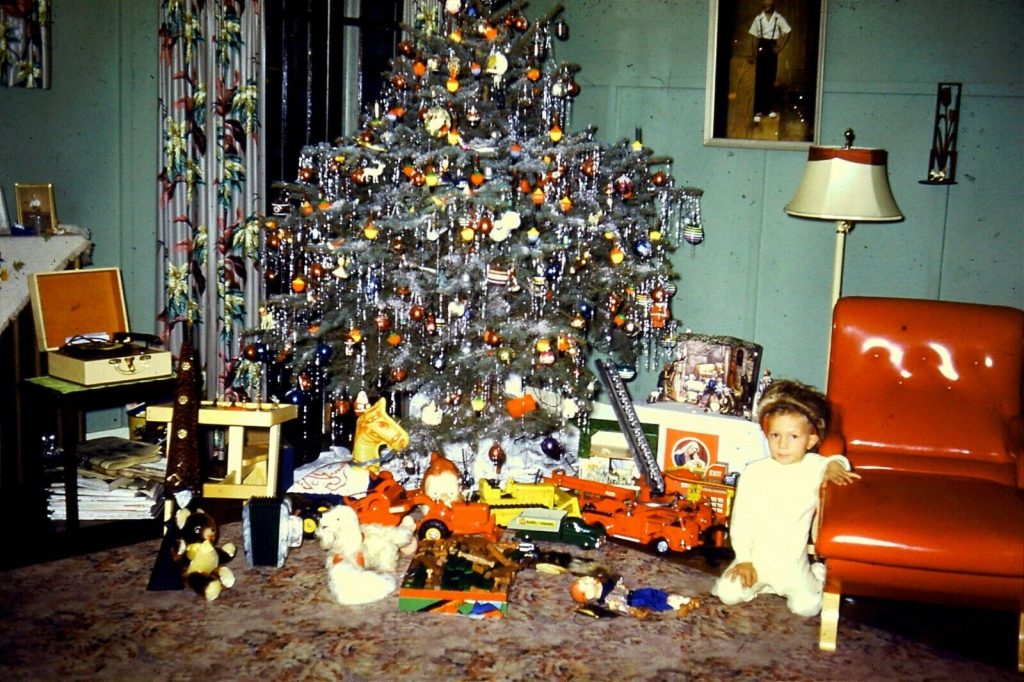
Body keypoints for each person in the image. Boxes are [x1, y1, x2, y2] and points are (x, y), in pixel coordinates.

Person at [712, 379, 859, 617]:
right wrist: (744, 559)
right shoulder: (755, 472)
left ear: (810, 441)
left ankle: (816, 574)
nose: (782, 444)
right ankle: (762, 584)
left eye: (793, 437)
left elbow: (837, 462)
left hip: (792, 565)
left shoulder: (813, 467)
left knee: (807, 608)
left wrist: (834, 466)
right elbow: (741, 521)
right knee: (727, 594)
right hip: (756, 561)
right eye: (775, 435)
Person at [748, 0, 791, 123]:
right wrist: (753, 54)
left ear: (773, 5)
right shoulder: (758, 19)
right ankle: (758, 111)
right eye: (764, 4)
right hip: (762, 47)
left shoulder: (778, 18)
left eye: (769, 4)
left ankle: (769, 109)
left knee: (770, 79)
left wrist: (780, 47)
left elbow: (788, 32)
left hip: (772, 47)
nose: (766, 6)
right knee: (760, 80)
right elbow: (754, 37)